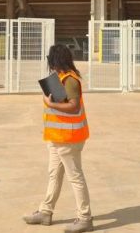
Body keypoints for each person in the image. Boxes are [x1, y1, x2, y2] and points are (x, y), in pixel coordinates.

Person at [23, 44, 93, 233]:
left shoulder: (70, 80)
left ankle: (85, 217)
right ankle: (46, 211)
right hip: (56, 138)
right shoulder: (59, 79)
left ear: (55, 61)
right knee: (54, 175)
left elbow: (74, 107)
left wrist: (51, 104)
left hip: (69, 138)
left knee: (75, 177)